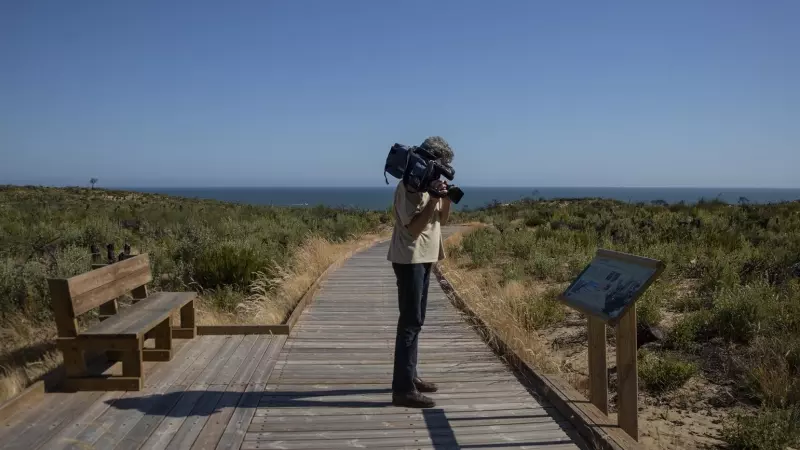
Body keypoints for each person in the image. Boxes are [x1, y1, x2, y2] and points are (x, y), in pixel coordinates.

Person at [386, 136, 453, 408]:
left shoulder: (428, 185)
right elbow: (413, 229)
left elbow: (443, 220)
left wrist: (444, 197)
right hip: (409, 259)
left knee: (417, 320)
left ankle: (410, 376)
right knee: (410, 321)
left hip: (425, 257)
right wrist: (432, 198)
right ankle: (402, 389)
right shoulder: (410, 187)